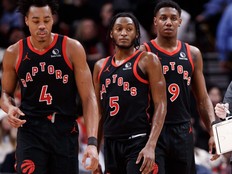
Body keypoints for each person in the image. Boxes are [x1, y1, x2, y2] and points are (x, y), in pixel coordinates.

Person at [0, 0, 99, 173]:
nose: (42, 26)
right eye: (36, 20)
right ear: (26, 20)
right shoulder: (14, 52)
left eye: (46, 20)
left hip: (64, 129)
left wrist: (92, 143)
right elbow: (5, 93)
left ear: (52, 20)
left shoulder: (72, 48)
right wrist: (9, 107)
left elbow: (89, 98)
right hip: (31, 129)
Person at [140, 1, 218, 174]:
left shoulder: (193, 53)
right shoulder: (143, 52)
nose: (168, 22)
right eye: (163, 18)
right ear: (155, 22)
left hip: (182, 130)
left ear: (180, 22)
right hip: (152, 131)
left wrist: (213, 132)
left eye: (173, 18)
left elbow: (203, 98)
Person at [93, 12, 167, 174]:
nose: (124, 33)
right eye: (119, 29)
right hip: (111, 144)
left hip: (138, 141)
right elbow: (99, 113)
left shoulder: (147, 60)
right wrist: (95, 152)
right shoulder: (100, 66)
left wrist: (151, 145)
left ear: (137, 34)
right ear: (111, 33)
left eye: (129, 29)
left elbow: (161, 104)